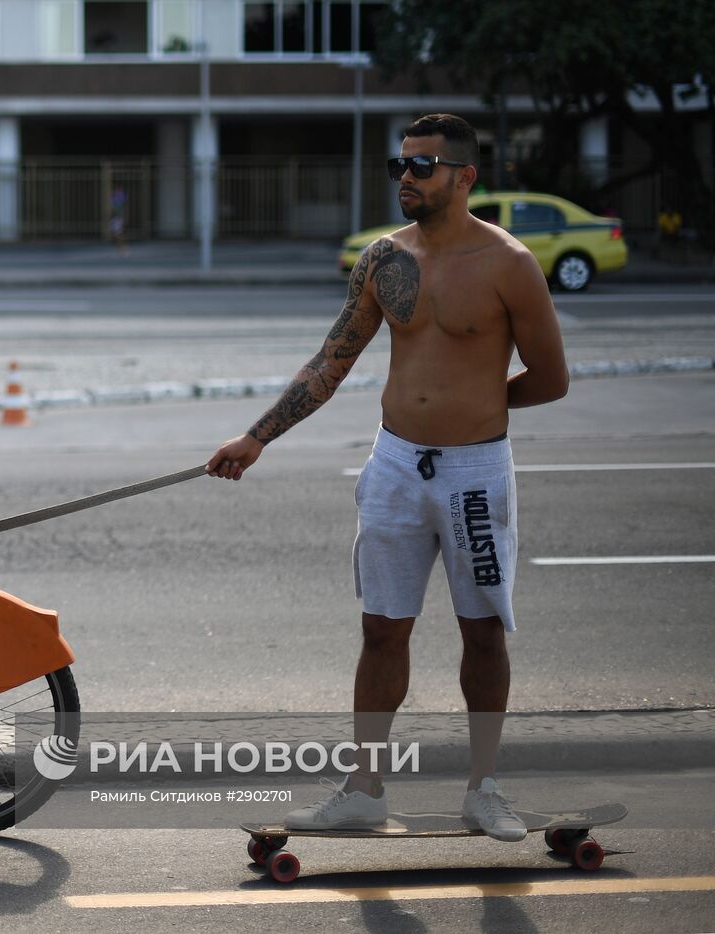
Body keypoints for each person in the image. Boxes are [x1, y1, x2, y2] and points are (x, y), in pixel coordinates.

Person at [206, 114, 569, 841]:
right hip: (396, 464)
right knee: (380, 630)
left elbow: (552, 379)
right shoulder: (383, 260)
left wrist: (475, 405)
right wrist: (257, 437)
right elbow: (329, 363)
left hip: (474, 474)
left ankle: (484, 788)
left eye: (423, 165)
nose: (406, 176)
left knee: (484, 633)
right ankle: (365, 789)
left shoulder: (509, 264)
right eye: (399, 164)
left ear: (465, 177)